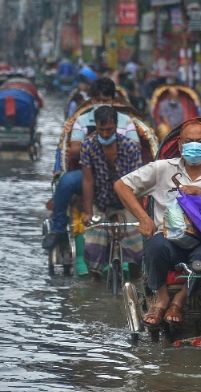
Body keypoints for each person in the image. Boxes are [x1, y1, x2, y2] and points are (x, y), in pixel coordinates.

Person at [114, 119, 201, 326]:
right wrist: (143, 218)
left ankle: (179, 299)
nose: (194, 145)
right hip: (168, 239)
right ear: (180, 145)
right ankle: (161, 298)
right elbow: (121, 185)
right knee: (154, 246)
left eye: (200, 141)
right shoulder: (162, 168)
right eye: (189, 141)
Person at [43, 78, 141, 251]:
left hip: (121, 171)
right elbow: (74, 150)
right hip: (89, 167)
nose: (102, 103)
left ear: (113, 100)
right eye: (98, 100)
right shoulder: (83, 119)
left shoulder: (125, 120)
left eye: (106, 100)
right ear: (92, 100)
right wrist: (97, 146)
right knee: (65, 183)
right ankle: (58, 229)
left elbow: (136, 147)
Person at [79, 106, 144, 275]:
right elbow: (88, 180)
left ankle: (136, 281)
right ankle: (95, 280)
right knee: (92, 248)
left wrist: (138, 213)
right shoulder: (88, 145)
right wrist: (87, 212)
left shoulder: (131, 147)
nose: (105, 134)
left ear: (115, 126)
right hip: (100, 201)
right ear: (96, 127)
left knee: (137, 249)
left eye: (109, 129)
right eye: (101, 130)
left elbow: (136, 183)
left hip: (127, 203)